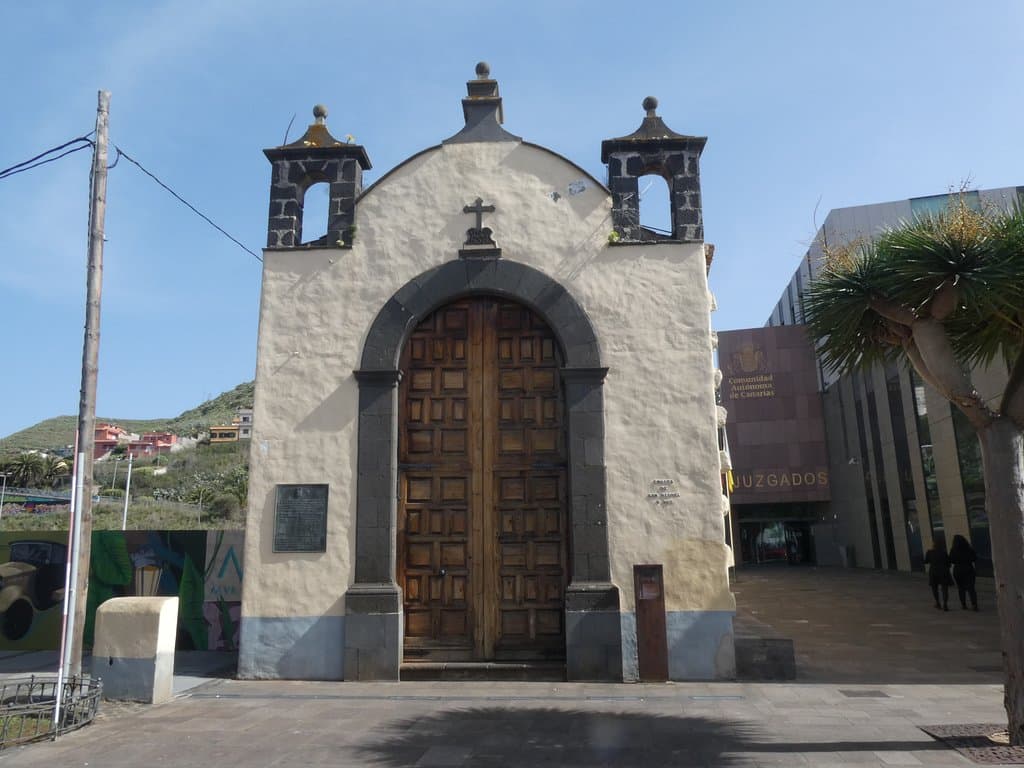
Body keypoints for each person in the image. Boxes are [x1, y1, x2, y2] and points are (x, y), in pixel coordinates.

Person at [949, 534, 979, 611]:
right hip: (968, 569)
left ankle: (963, 604)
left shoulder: (953, 550)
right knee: (971, 588)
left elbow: (951, 560)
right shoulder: (969, 549)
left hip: (958, 570)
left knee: (961, 588)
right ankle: (974, 604)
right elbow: (974, 558)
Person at [924, 537, 953, 611]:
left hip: (933, 572)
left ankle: (937, 602)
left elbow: (926, 561)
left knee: (934, 588)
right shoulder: (944, 552)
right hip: (943, 572)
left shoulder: (930, 552)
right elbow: (948, 563)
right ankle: (945, 604)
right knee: (944, 589)